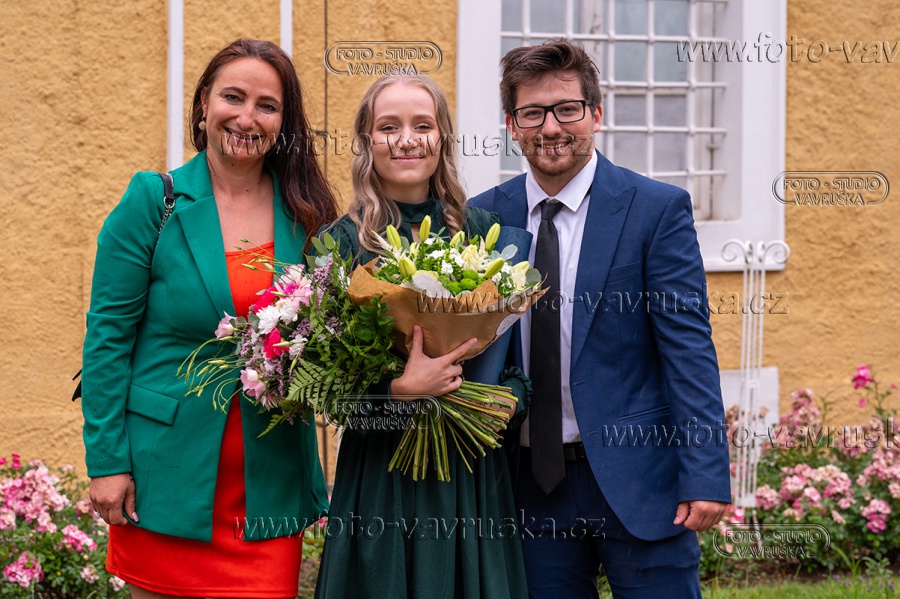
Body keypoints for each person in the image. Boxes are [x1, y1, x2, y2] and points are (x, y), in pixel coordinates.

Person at [469, 39, 731, 598]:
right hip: (530, 488)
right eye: (532, 113)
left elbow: (688, 352)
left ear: (596, 114)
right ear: (512, 125)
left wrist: (705, 473)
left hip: (643, 480)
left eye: (567, 109)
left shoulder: (655, 210)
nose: (551, 127)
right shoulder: (482, 217)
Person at [81, 38, 337, 599]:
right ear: (204, 104)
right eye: (233, 97)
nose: (247, 117)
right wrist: (106, 463)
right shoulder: (154, 201)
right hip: (163, 481)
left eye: (267, 106)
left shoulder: (308, 213)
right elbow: (107, 341)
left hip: (269, 489)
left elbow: (329, 339)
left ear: (283, 122)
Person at [315, 74, 529, 599]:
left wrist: (506, 400)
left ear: (443, 138)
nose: (406, 140)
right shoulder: (338, 246)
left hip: (469, 474)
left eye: (423, 126)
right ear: (367, 142)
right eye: (389, 127)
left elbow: (517, 367)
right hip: (381, 476)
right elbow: (325, 393)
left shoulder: (486, 234)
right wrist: (398, 394)